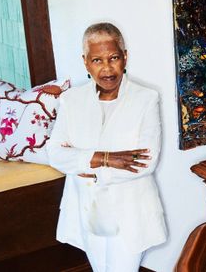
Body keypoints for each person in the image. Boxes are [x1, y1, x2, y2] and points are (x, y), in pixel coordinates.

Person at [47, 22, 167, 272]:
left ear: (125, 57)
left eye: (113, 58)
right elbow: (55, 154)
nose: (107, 68)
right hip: (86, 208)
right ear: (86, 62)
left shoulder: (146, 99)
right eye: (97, 60)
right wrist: (106, 158)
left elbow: (145, 162)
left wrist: (82, 163)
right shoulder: (71, 101)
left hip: (130, 212)